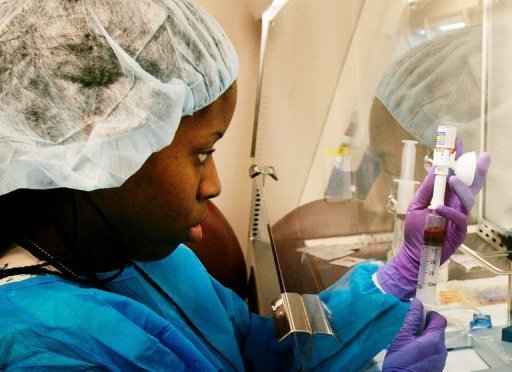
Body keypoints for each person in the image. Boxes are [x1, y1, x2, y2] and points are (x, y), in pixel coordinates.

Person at [0, 1, 489, 371]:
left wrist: (394, 279)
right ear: (98, 144)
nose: (213, 185)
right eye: (203, 153)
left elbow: (255, 344)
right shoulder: (44, 349)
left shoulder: (149, 259)